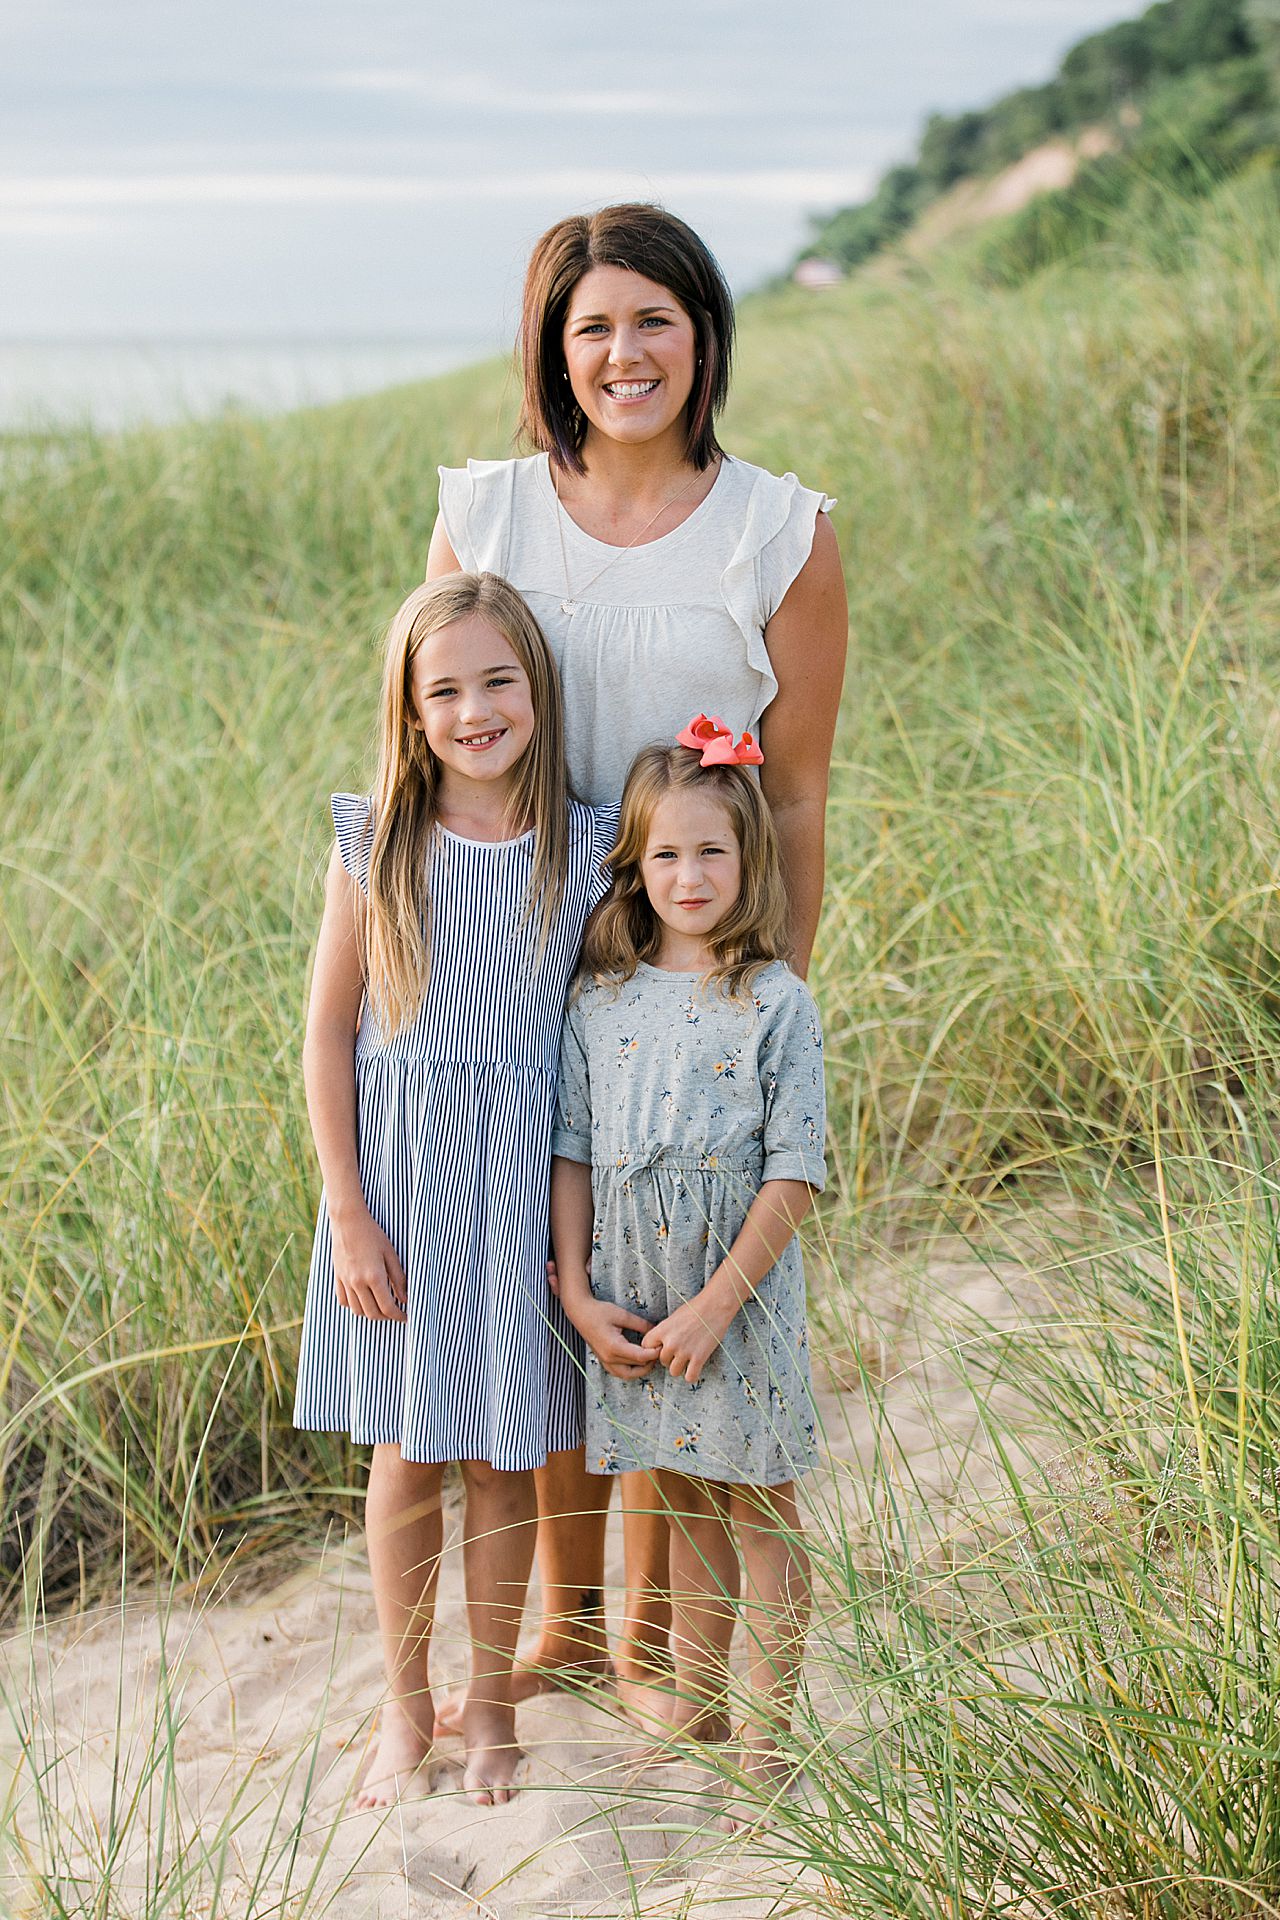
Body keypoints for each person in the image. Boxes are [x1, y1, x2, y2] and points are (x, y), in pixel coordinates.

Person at [427, 202, 846, 1722]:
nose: (626, 352)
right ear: (553, 347)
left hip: (694, 963)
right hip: (515, 955)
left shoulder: (780, 530)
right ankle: (575, 1615)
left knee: (670, 1274)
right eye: (592, 325)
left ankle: (674, 1645)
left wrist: (765, 988)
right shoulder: (487, 512)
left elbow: (795, 787)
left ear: (705, 335)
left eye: (655, 319)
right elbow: (430, 729)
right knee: (554, 1289)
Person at [293, 572, 616, 1809]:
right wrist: (348, 1209)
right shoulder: (374, 838)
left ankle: (491, 1711)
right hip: (402, 1191)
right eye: (445, 690)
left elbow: (595, 1042)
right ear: (410, 710)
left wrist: (576, 1242)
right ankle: (405, 1707)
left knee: (505, 1459)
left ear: (535, 688)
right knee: (404, 1457)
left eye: (498, 680)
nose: (475, 709)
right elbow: (327, 1035)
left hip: (522, 1192)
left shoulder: (586, 848)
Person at [549, 724, 826, 1801]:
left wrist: (717, 1307)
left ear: (747, 860)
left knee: (756, 1506)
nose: (688, 876)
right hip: (632, 1296)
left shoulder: (774, 1002)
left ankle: (765, 1739)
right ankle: (698, 1703)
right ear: (635, 866)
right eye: (665, 855)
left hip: (733, 1301)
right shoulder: (599, 997)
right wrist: (575, 1292)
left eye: (710, 852)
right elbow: (571, 1151)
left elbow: (791, 1175)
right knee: (681, 1501)